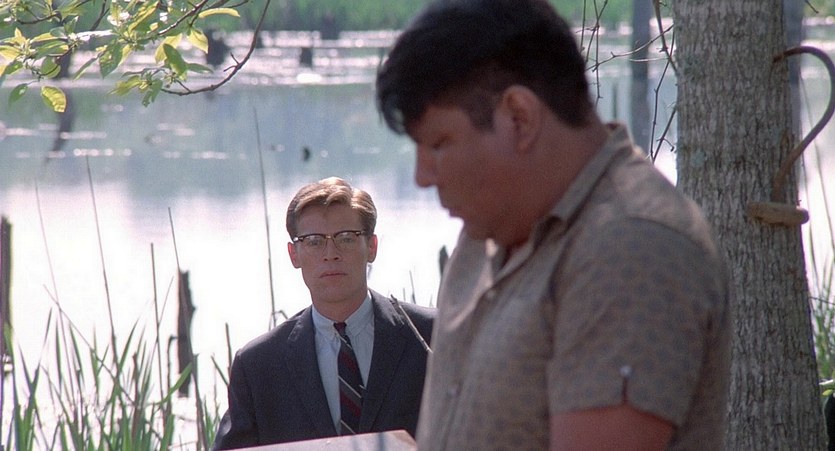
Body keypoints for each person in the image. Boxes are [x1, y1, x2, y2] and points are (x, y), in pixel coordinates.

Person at [375, 0, 731, 449]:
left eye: (439, 143)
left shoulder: (631, 248)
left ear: (519, 118)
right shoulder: (489, 227)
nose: (422, 177)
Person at [212, 177, 435, 449]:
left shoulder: (431, 337)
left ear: (372, 247)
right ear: (294, 254)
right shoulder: (259, 366)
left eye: (346, 238)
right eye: (314, 241)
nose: (331, 254)